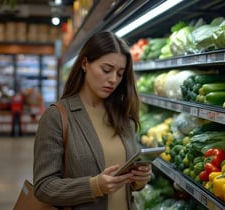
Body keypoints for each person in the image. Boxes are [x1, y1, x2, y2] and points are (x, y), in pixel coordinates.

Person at [33, 31, 152, 210]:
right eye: (106, 70)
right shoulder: (57, 116)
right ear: (85, 63)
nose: (113, 79)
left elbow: (127, 178)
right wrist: (94, 186)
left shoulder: (122, 115)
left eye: (120, 74)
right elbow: (43, 186)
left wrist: (139, 180)